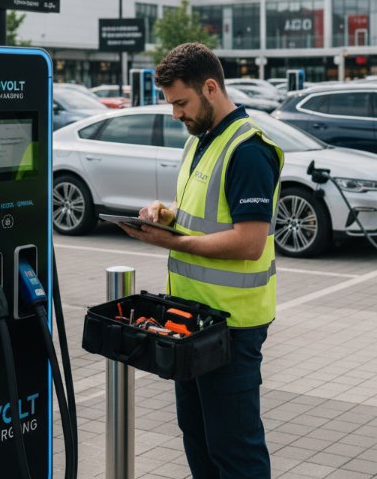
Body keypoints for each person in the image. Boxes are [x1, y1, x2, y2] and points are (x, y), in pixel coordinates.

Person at [118, 42, 283, 479]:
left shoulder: (248, 150)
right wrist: (166, 213)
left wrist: (168, 242)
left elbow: (249, 242)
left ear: (210, 88)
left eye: (181, 103)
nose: (176, 114)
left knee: (234, 451)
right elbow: (204, 212)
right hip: (194, 320)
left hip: (232, 328)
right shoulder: (203, 139)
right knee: (197, 435)